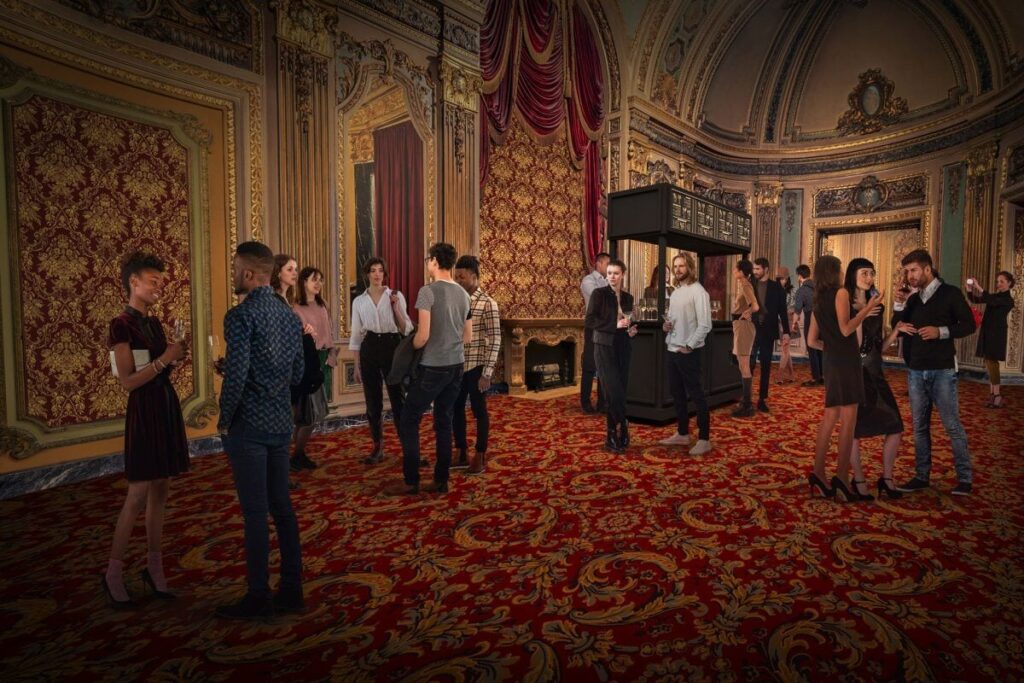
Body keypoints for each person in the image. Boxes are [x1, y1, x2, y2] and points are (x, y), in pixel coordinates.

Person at [216, 241, 306, 620]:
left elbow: (236, 376)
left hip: (249, 426)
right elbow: (299, 374)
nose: (234, 274)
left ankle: (258, 596)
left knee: (255, 513)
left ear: (250, 274)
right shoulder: (288, 315)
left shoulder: (240, 316)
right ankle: (291, 589)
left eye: (237, 268)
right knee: (282, 508)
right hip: (280, 423)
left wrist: (223, 418)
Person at [103, 252, 190, 607]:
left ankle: (155, 568)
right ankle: (112, 573)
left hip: (164, 405)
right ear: (133, 283)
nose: (159, 286)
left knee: (161, 491)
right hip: (143, 411)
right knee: (137, 494)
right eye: (153, 281)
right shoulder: (120, 324)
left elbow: (160, 370)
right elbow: (127, 381)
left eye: (160, 281)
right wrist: (165, 359)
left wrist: (174, 357)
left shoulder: (154, 324)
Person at [386, 243, 472, 496]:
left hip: (433, 367)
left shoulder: (427, 291)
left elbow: (422, 336)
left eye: (428, 259)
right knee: (444, 422)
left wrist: (408, 348)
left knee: (409, 420)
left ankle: (410, 480)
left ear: (434, 261)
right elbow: (467, 337)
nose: (427, 263)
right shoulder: (464, 294)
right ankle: (440, 479)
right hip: (456, 365)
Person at [893, 249, 976, 496]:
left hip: (942, 370)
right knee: (919, 427)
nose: (909, 276)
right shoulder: (914, 299)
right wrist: (899, 302)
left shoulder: (950, 293)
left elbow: (969, 324)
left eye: (914, 270)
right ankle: (921, 476)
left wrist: (940, 331)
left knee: (952, 425)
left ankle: (964, 478)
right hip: (916, 370)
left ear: (927, 269)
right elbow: (896, 325)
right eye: (907, 271)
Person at [806, 255, 883, 502]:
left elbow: (811, 341)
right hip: (847, 362)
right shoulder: (840, 293)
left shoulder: (818, 300)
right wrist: (869, 308)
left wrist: (830, 349)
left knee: (830, 418)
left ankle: (818, 473)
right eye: (840, 269)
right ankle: (840, 477)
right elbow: (846, 329)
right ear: (834, 272)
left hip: (831, 363)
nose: (842, 273)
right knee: (848, 423)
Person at [845, 258, 906, 500]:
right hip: (854, 374)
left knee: (896, 426)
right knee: (854, 431)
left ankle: (887, 477)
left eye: (872, 273)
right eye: (864, 273)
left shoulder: (876, 305)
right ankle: (858, 478)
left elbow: (878, 348)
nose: (869, 277)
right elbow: (856, 345)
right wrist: (864, 310)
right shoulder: (846, 303)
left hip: (876, 373)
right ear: (853, 275)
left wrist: (896, 332)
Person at [349, 257, 413, 464]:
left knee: (398, 400)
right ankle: (378, 447)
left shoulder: (395, 296)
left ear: (384, 274)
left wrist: (395, 308)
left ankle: (407, 448)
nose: (377, 275)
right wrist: (357, 366)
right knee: (372, 402)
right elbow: (356, 336)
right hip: (369, 347)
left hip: (392, 347)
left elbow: (406, 329)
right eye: (373, 271)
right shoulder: (358, 301)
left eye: (380, 271)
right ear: (366, 274)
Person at [659, 253, 713, 455]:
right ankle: (682, 433)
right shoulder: (676, 292)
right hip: (672, 348)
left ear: (690, 267)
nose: (678, 269)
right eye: (675, 266)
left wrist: (689, 346)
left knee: (696, 394)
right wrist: (667, 326)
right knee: (677, 394)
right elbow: (674, 321)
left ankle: (705, 439)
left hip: (688, 352)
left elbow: (705, 325)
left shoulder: (699, 292)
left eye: (682, 266)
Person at [452, 255, 501, 474]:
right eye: (456, 277)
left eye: (462, 277)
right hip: (456, 365)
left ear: (474, 276)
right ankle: (461, 451)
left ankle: (480, 454)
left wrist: (487, 373)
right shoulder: (457, 300)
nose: (458, 280)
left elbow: (496, 338)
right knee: (455, 410)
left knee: (479, 411)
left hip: (477, 367)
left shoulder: (488, 303)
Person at [585, 258, 638, 453]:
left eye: (616, 273)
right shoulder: (598, 294)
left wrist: (630, 331)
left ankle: (610, 434)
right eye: (609, 273)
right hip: (603, 346)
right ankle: (622, 425)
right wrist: (613, 326)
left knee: (620, 392)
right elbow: (589, 321)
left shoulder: (628, 298)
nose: (612, 277)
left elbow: (628, 322)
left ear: (623, 275)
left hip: (623, 346)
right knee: (613, 391)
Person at [290, 266, 339, 470]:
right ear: (303, 283)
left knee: (315, 412)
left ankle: (297, 454)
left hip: (323, 357)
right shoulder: (295, 308)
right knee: (307, 413)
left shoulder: (322, 304)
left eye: (320, 279)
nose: (318, 283)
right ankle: (296, 454)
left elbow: (328, 332)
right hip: (307, 360)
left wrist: (332, 354)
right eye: (313, 280)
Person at [966, 271, 1016, 408]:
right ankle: (993, 395)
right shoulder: (994, 297)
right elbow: (976, 300)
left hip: (997, 333)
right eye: (998, 281)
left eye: (1002, 281)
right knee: (989, 362)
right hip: (988, 331)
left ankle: (997, 395)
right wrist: (970, 291)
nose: (998, 284)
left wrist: (979, 287)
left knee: (992, 362)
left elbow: (992, 301)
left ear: (1009, 283)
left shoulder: (1008, 300)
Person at [749, 257, 790, 411]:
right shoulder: (751, 285)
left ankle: (761, 399)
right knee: (749, 365)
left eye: (757, 269)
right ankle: (746, 398)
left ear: (766, 269)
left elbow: (783, 311)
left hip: (767, 331)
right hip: (751, 330)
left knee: (766, 365)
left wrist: (786, 331)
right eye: (754, 269)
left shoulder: (777, 287)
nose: (755, 272)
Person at [580, 252, 610, 413]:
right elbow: (597, 300)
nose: (609, 268)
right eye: (607, 264)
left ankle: (602, 403)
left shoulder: (608, 282)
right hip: (592, 327)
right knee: (590, 366)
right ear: (599, 264)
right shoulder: (588, 281)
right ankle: (585, 402)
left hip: (605, 326)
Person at [730, 259, 759, 417]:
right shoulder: (744, 284)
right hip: (740, 327)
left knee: (744, 365)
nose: (733, 271)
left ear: (741, 271)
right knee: (742, 365)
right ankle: (745, 401)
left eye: (735, 269)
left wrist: (746, 313)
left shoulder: (746, 284)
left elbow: (755, 306)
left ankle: (747, 405)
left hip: (744, 328)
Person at [793, 264, 823, 386]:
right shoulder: (819, 287)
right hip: (822, 319)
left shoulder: (801, 290)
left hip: (810, 319)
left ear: (799, 276)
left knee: (811, 348)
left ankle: (815, 378)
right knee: (821, 347)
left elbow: (797, 310)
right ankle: (823, 376)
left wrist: (793, 323)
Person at [775, 266, 797, 383]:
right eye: (780, 279)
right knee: (786, 350)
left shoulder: (791, 291)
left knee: (784, 349)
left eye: (785, 279)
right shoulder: (775, 290)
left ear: (788, 279)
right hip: (778, 322)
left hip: (787, 322)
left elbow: (794, 308)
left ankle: (779, 375)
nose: (783, 281)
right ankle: (792, 375)